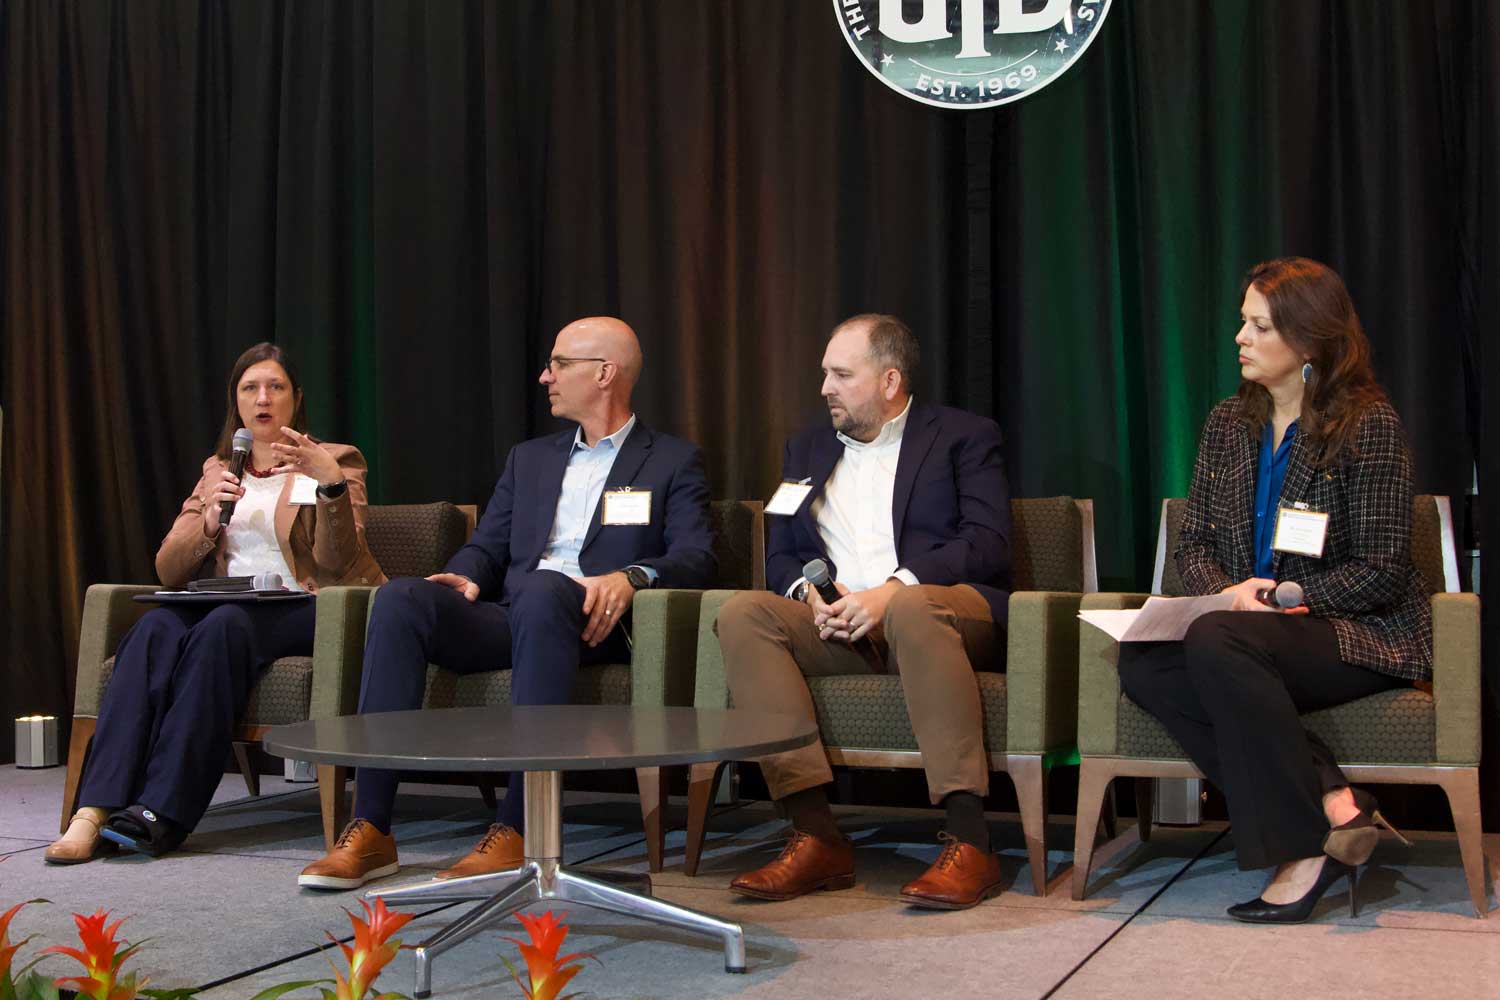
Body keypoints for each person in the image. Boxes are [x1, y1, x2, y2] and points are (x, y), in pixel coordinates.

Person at [298, 316, 716, 890]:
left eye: (558, 364)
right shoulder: (531, 458)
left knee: (546, 588)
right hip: (516, 614)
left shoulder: (670, 459)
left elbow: (697, 555)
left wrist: (632, 576)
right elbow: (488, 546)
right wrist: (465, 576)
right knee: (400, 599)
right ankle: (371, 826)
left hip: (595, 624)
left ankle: (519, 825)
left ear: (604, 372)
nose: (545, 376)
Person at [1118, 257, 1430, 923]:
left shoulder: (1367, 424)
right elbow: (1193, 542)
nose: (1241, 338)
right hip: (1238, 628)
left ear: (1309, 340)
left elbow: (1383, 571)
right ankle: (1333, 802)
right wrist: (1229, 595)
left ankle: (1303, 850)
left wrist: (1278, 599)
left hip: (1350, 632)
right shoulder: (1228, 422)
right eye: (1243, 323)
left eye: (1259, 326)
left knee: (1217, 638)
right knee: (1142, 658)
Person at [716, 314, 1012, 910]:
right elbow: (782, 554)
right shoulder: (806, 448)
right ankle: (815, 835)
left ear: (889, 380)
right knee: (744, 612)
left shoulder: (962, 436)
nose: (825, 386)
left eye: (841, 374)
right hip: (841, 623)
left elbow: (987, 542)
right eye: (825, 373)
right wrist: (811, 598)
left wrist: (892, 590)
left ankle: (970, 839)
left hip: (943, 611)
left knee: (912, 607)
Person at [47, 343, 385, 863]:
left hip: (305, 607)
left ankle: (160, 813)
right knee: (154, 629)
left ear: (296, 397)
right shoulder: (220, 469)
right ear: (237, 402)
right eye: (249, 388)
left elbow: (338, 562)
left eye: (274, 387)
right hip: (225, 603)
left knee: (221, 626)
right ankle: (92, 810)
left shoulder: (335, 459)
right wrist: (208, 521)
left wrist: (330, 486)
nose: (263, 398)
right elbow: (168, 567)